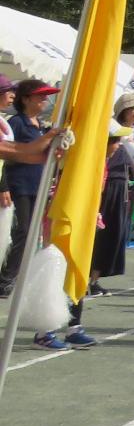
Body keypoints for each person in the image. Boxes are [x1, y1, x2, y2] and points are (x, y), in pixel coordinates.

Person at [0, 79, 61, 300]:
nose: (46, 99)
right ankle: (7, 279)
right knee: (22, 232)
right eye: (40, 95)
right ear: (26, 99)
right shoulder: (16, 123)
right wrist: (3, 186)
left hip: (38, 185)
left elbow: (34, 154)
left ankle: (18, 277)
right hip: (19, 185)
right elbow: (11, 154)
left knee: (32, 234)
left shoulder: (40, 125)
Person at [91, 90, 134, 296]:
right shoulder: (111, 128)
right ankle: (85, 278)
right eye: (133, 108)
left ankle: (94, 279)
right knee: (98, 234)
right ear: (123, 110)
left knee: (113, 234)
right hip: (106, 184)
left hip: (122, 187)